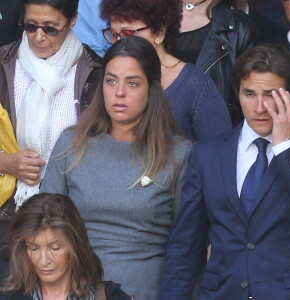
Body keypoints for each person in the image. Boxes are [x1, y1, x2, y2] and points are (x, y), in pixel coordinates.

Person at [40, 36, 192, 300]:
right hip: (76, 289)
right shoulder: (71, 143)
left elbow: (187, 244)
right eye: (111, 81)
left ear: (152, 89)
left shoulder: (178, 152)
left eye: (132, 83)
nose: (119, 92)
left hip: (145, 290)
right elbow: (46, 228)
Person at [159, 44, 290, 299]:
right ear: (237, 94)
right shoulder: (208, 154)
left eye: (270, 95)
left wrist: (285, 147)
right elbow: (186, 246)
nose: (259, 107)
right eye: (249, 94)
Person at [0, 0, 102, 261]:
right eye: (30, 26)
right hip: (7, 218)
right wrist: (5, 162)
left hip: (71, 218)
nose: (38, 37)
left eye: (51, 28)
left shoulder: (96, 73)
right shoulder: (3, 65)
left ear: (73, 21)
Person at [100, 0, 232, 141]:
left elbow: (219, 153)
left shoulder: (196, 86)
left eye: (128, 33)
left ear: (159, 33)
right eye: (113, 34)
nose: (119, 43)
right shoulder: (108, 79)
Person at [0, 193, 131, 300]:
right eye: (34, 248)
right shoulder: (8, 292)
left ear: (75, 245)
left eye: (55, 248)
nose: (43, 261)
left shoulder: (108, 296)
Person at [175, 0, 254, 126]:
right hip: (151, 131)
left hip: (212, 134)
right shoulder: (146, 16)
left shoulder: (238, 26)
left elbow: (249, 96)